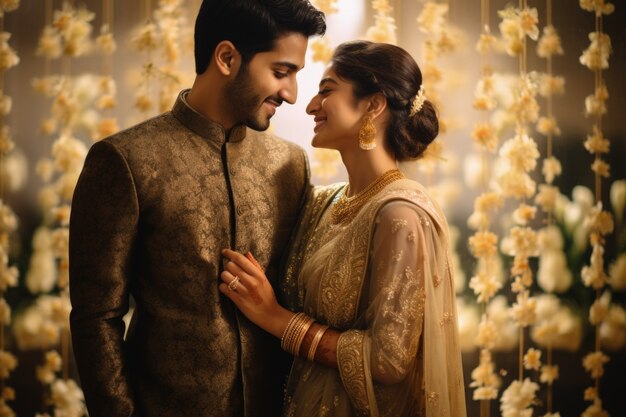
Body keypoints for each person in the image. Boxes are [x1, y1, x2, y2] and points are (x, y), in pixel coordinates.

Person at [68, 1, 325, 416]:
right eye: (281, 72)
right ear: (226, 57)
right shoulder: (126, 160)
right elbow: (96, 317)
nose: (292, 94)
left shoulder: (289, 165)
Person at [220, 40, 467, 417]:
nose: (310, 106)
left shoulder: (401, 215)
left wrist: (275, 319)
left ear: (374, 105)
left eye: (327, 90)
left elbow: (388, 360)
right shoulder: (323, 202)